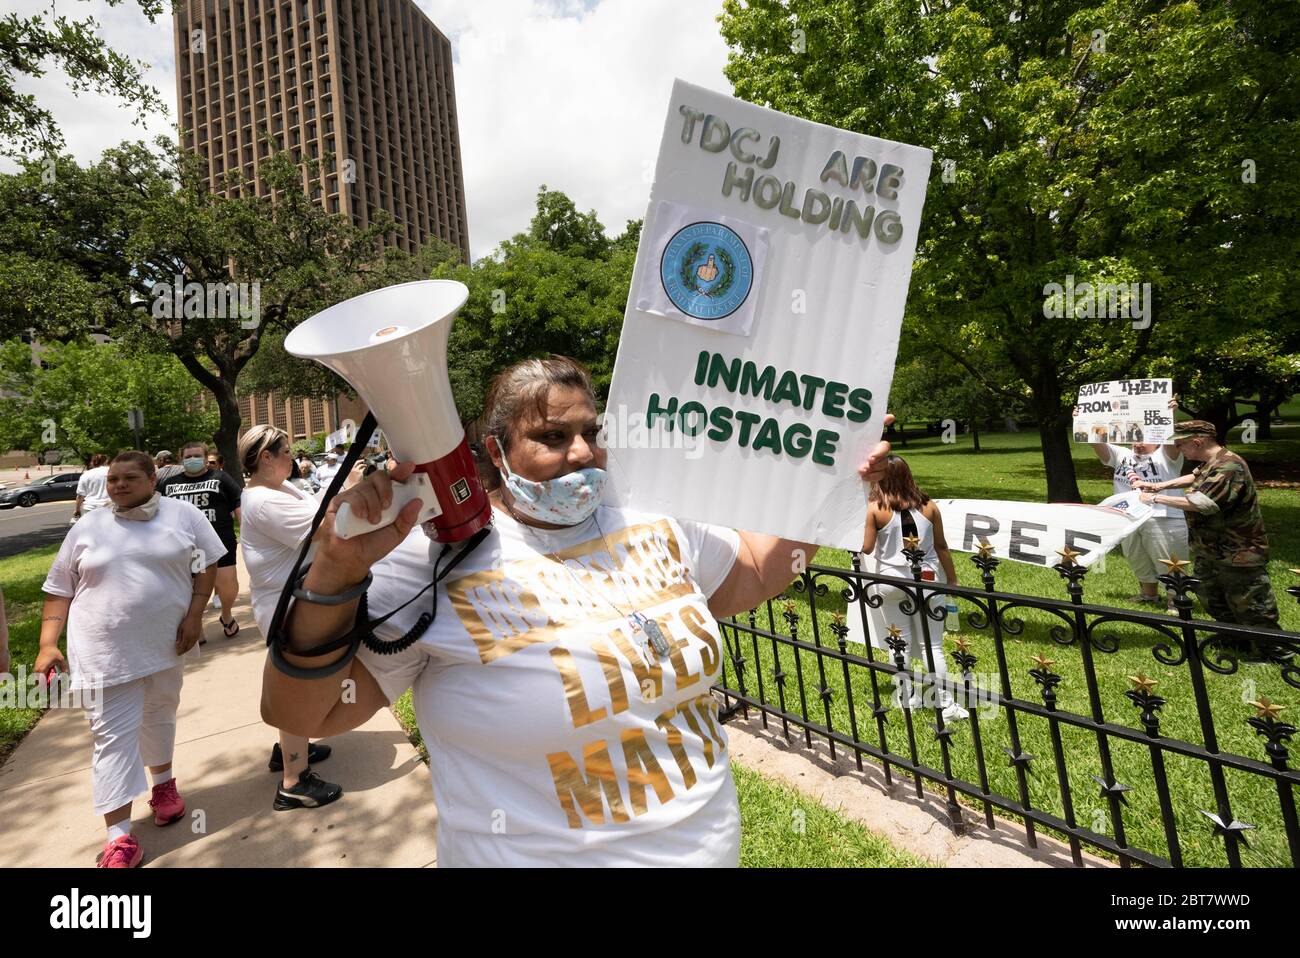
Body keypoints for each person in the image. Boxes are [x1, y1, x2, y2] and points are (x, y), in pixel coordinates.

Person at [261, 356, 892, 867]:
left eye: (592, 432)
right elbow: (303, 711)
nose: (584, 451)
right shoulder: (432, 561)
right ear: (497, 450)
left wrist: (836, 489)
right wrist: (336, 574)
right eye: (553, 437)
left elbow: (750, 573)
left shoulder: (651, 516)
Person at [38, 451, 226, 867]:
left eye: (128, 478)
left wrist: (195, 614)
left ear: (152, 477)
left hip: (166, 644)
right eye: (112, 480)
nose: (118, 485)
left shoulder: (182, 516)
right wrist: (47, 643)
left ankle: (163, 787)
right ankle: (119, 837)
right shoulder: (88, 526)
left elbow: (206, 563)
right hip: (103, 652)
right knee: (112, 739)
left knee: (161, 713)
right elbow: (59, 588)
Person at [236, 425, 343, 811]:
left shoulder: (281, 490)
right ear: (266, 457)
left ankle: (289, 751)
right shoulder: (264, 500)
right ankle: (294, 783)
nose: (292, 457)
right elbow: (325, 528)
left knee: (299, 681)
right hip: (286, 606)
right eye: (285, 450)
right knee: (300, 688)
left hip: (296, 600)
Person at [1135, 420, 1282, 658]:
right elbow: (1194, 477)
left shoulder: (1229, 466)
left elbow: (1202, 503)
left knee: (1250, 604)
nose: (1179, 450)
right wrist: (1160, 486)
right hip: (1211, 549)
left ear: (1197, 441)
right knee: (1215, 600)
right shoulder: (1210, 463)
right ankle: (1236, 641)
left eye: (1181, 445)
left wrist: (1155, 499)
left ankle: (1272, 653)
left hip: (1238, 551)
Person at [859, 454, 966, 721]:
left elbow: (868, 548)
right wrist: (952, 580)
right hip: (928, 581)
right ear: (908, 475)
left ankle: (906, 697)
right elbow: (941, 546)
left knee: (899, 643)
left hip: (890, 580)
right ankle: (945, 703)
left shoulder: (875, 507)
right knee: (933, 646)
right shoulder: (929, 506)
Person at [1080, 397, 1187, 607]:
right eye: (1135, 437)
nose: (1138, 443)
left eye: (1144, 438)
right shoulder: (1122, 454)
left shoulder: (1167, 457)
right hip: (1129, 517)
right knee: (1136, 556)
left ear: (1157, 439)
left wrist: (1169, 415)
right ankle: (1149, 594)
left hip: (1163, 517)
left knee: (1168, 559)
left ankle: (1175, 600)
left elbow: (1171, 439)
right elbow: (1096, 441)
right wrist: (1083, 419)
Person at [157, 440, 243, 639]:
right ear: (181, 459)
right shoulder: (170, 484)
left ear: (206, 459)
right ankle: (198, 625)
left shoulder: (220, 478)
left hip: (219, 542)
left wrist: (245, 530)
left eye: (197, 456)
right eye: (188, 457)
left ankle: (227, 615)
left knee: (227, 585)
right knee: (196, 587)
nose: (192, 460)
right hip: (192, 548)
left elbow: (238, 503)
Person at [72, 454, 110, 520]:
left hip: (90, 508)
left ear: (92, 462)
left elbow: (80, 495)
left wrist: (77, 510)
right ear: (106, 461)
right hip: (109, 508)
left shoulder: (86, 474)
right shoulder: (111, 471)